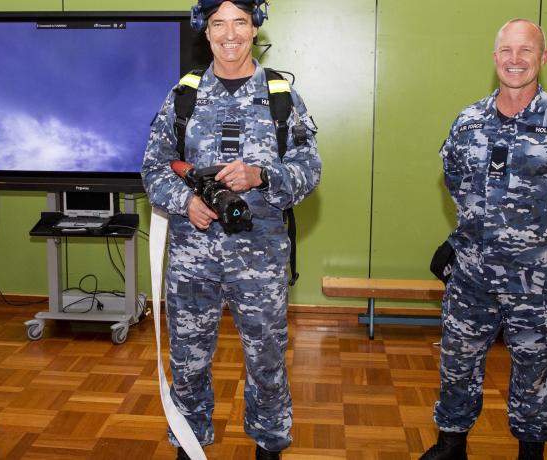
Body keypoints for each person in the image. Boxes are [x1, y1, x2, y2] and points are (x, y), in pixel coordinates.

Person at [421, 18, 547, 460]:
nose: (515, 60)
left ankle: (530, 451)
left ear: (542, 58)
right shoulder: (468, 122)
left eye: (526, 51)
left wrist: (543, 242)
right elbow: (453, 181)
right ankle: (452, 444)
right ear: (494, 59)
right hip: (471, 275)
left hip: (535, 281)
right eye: (506, 51)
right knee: (457, 364)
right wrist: (477, 231)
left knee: (536, 370)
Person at [142, 1, 321, 459]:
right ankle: (189, 443)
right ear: (205, 32)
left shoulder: (281, 96)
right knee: (188, 361)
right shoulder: (183, 96)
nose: (229, 34)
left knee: (266, 361)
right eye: (218, 23)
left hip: (259, 258)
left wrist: (262, 176)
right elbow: (152, 168)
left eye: (239, 22)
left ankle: (268, 446)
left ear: (254, 27)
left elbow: (309, 168)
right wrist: (187, 202)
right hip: (191, 257)